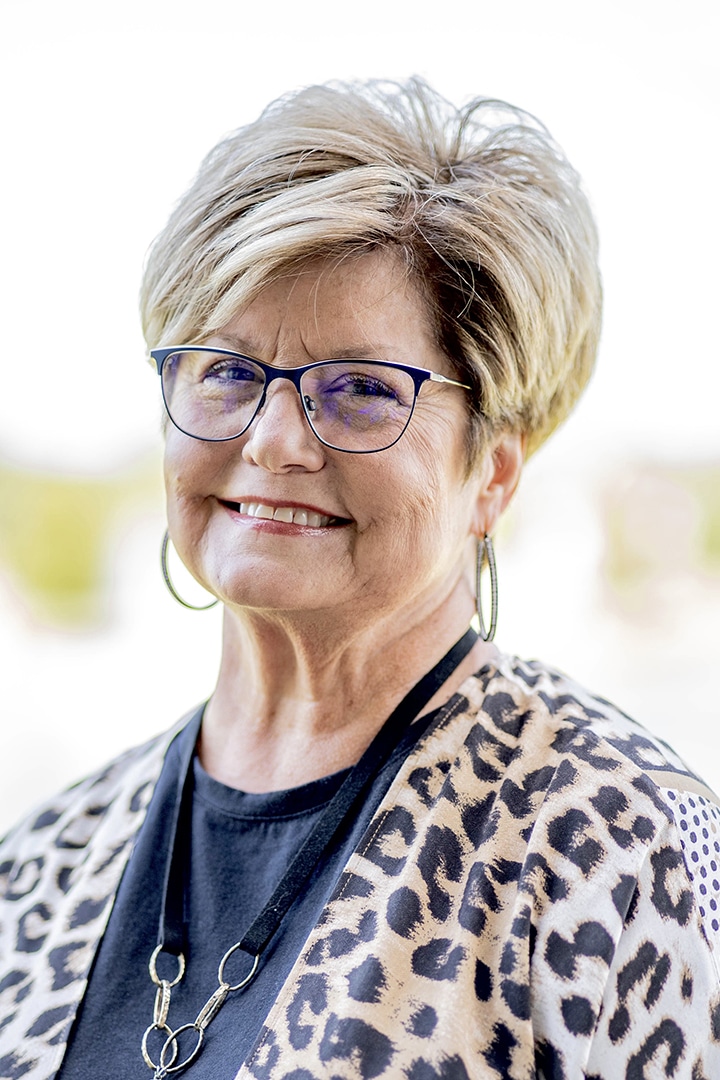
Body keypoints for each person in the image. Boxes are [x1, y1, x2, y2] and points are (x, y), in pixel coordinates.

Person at [0, 78, 718, 1080]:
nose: (274, 440)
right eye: (226, 371)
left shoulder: (616, 848)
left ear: (492, 474)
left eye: (362, 389)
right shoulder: (45, 857)